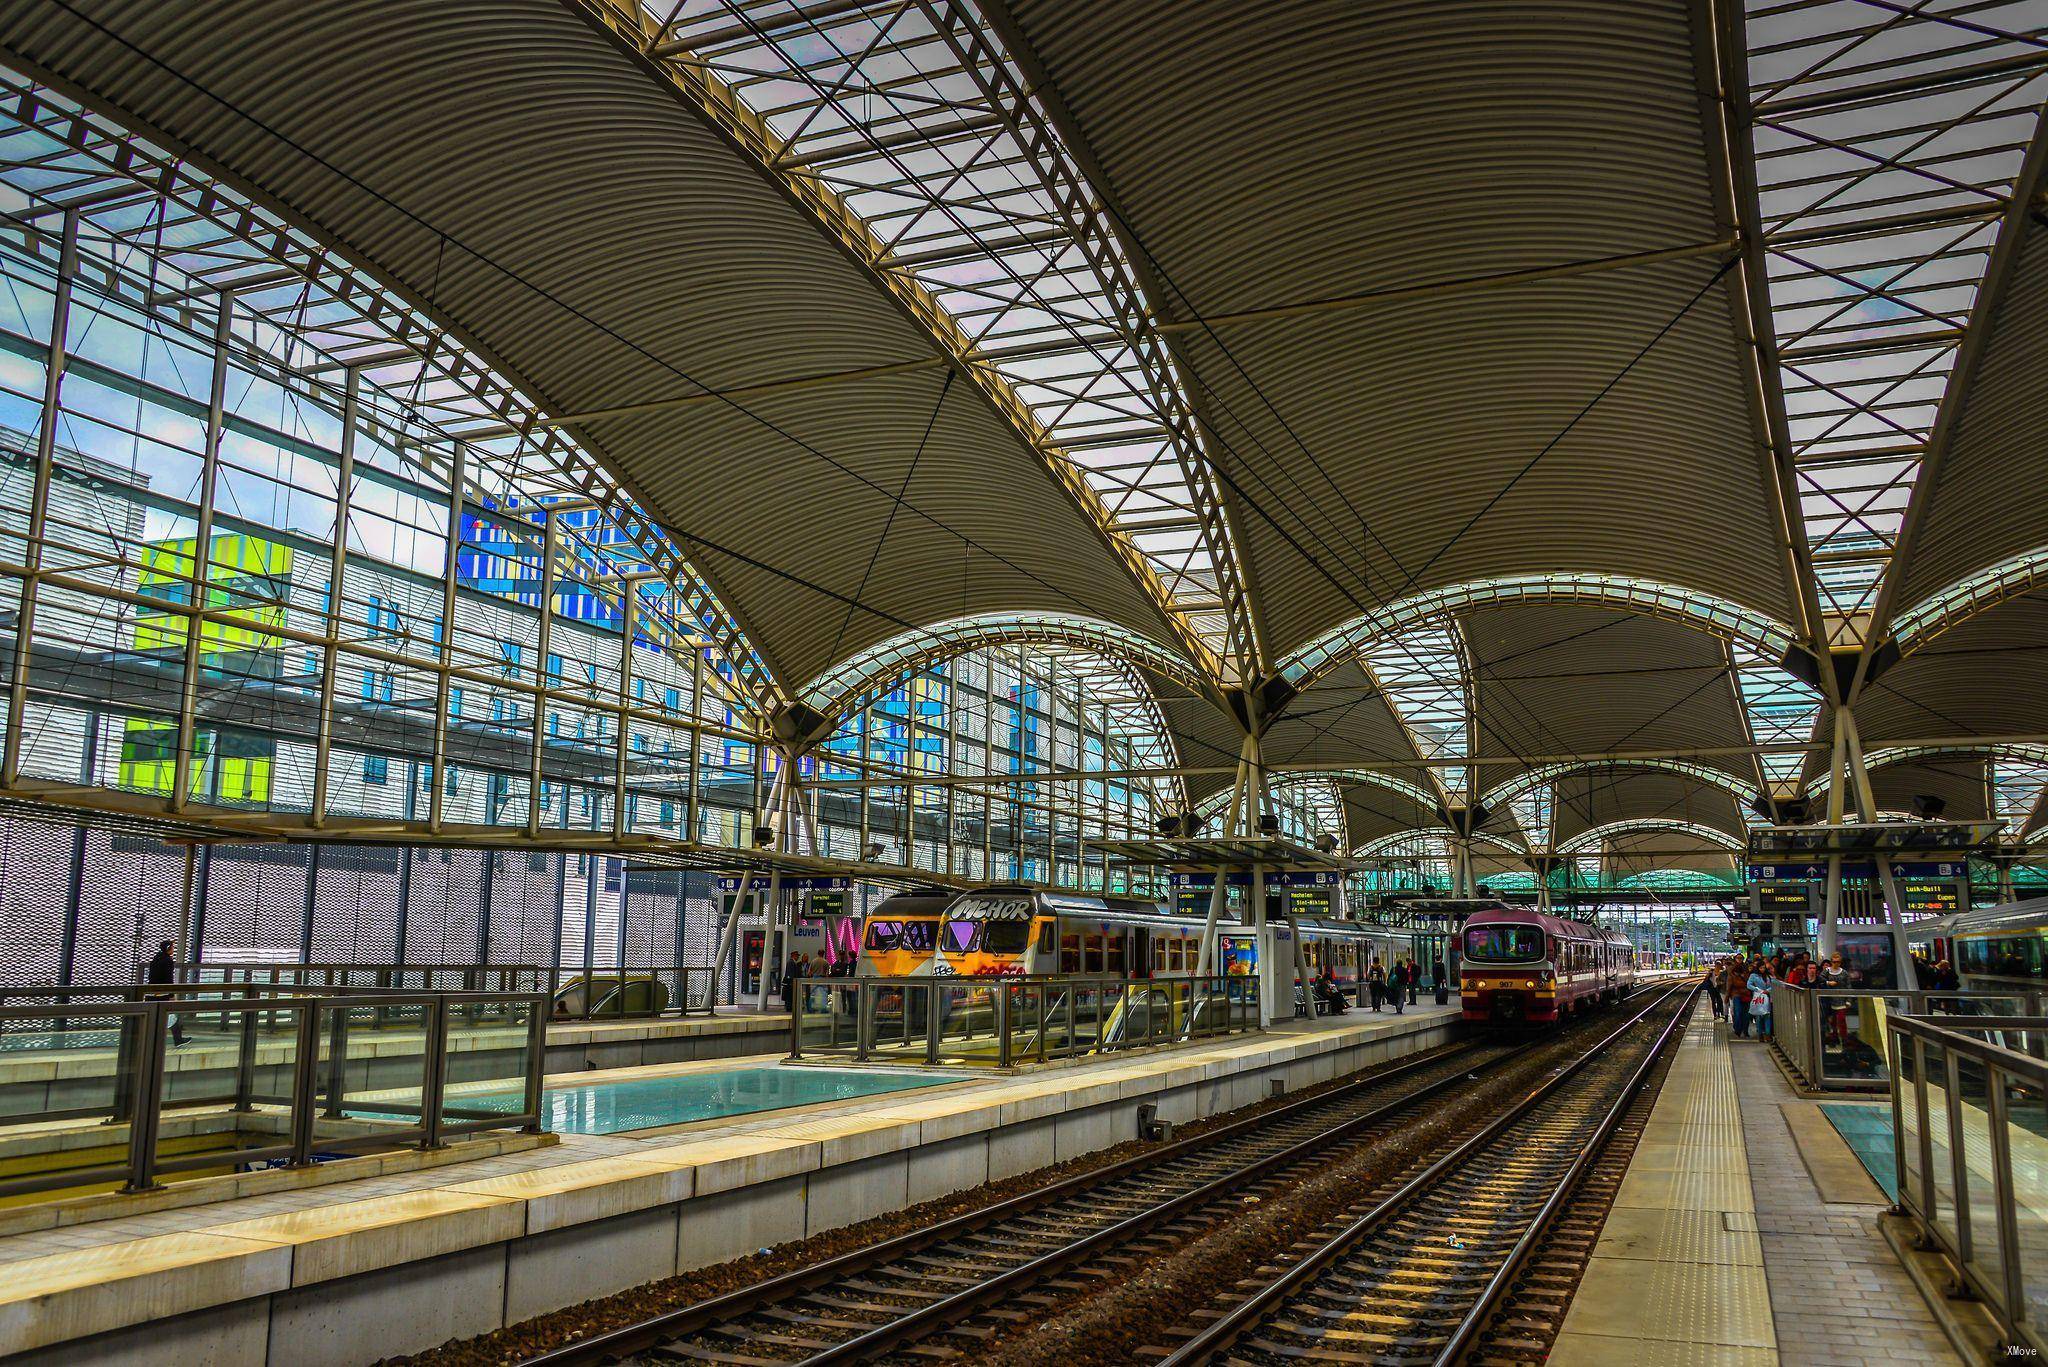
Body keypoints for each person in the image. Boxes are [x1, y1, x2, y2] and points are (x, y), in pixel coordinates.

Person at [144, 940, 187, 1046]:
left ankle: (148, 1040)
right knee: (171, 1015)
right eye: (172, 947)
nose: (173, 949)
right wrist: (171, 995)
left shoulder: (156, 958)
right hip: (162, 994)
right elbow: (169, 979)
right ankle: (178, 1040)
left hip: (150, 992)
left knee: (154, 1017)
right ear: (168, 949)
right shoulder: (168, 961)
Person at [1747, 960, 1775, 1042]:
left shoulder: (1768, 976)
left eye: (1763, 968)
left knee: (1767, 1015)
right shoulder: (1753, 975)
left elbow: (1773, 985)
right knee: (1758, 1016)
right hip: (1758, 997)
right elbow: (1749, 985)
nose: (1762, 969)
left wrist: (1768, 990)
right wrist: (1757, 989)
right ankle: (1760, 1034)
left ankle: (1767, 1034)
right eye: (1760, 968)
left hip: (1766, 996)